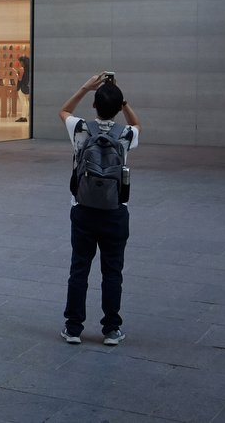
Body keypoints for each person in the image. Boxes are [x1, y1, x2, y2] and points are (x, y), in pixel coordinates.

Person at [59, 72, 139, 345]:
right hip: (116, 211)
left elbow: (63, 110)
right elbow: (137, 123)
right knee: (112, 271)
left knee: (79, 268)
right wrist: (121, 99)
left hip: (82, 209)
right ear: (118, 108)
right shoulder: (126, 133)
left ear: (94, 105)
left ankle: (73, 328)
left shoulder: (81, 128)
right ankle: (111, 329)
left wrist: (86, 86)